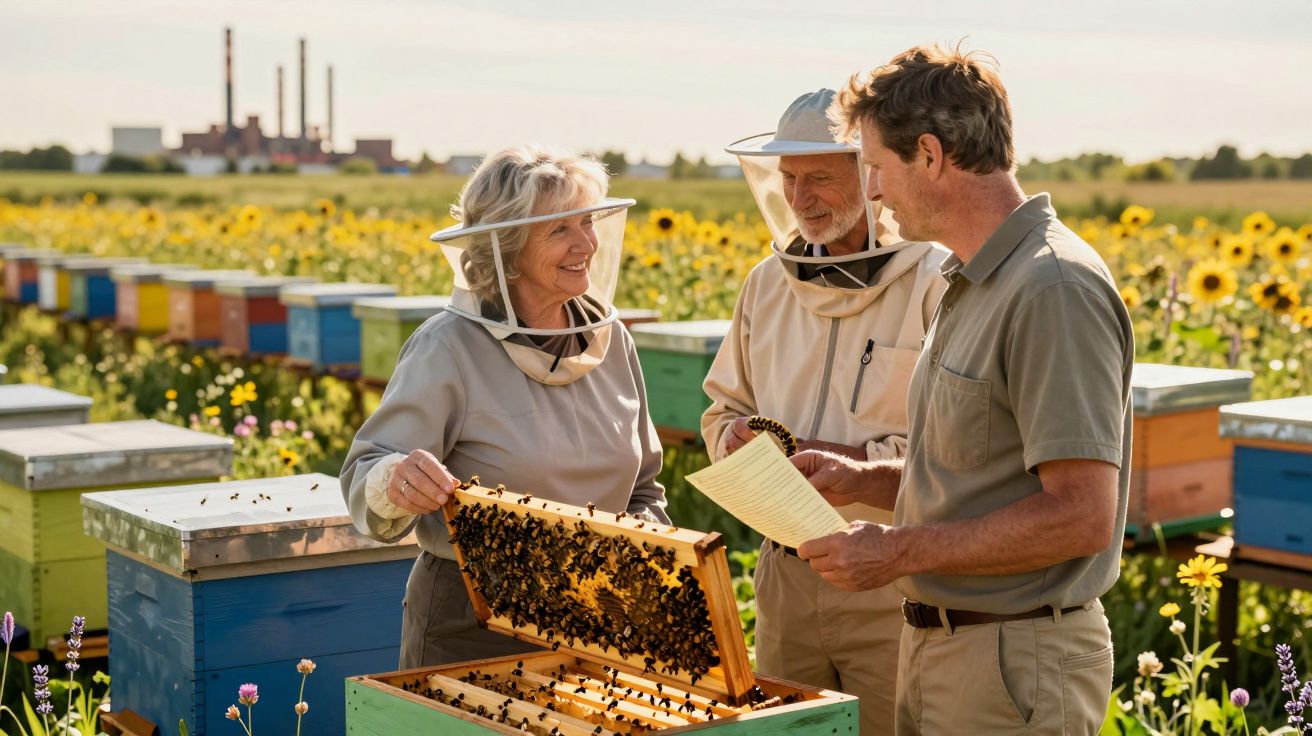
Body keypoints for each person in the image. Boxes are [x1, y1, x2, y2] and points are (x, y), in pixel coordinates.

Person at [791, 46, 1135, 735]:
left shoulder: (1052, 287)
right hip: (948, 652)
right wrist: (865, 477)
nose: (876, 191)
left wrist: (896, 550)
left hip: (1015, 662)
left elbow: (1080, 516)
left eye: (877, 168)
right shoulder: (974, 278)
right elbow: (980, 474)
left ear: (930, 154)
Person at [341, 144, 669, 668]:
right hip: (473, 623)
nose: (587, 242)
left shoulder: (614, 343)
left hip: (600, 615)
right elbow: (366, 474)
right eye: (560, 229)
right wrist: (395, 479)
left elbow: (644, 488)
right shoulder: (447, 347)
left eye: (587, 222)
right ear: (506, 247)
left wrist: (648, 556)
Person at [703, 89, 947, 734]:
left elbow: (952, 450)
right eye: (787, 179)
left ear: (871, 176)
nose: (799, 197)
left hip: (892, 577)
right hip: (785, 574)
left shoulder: (935, 280)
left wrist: (850, 463)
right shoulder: (765, 284)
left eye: (818, 178)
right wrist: (733, 437)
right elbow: (721, 407)